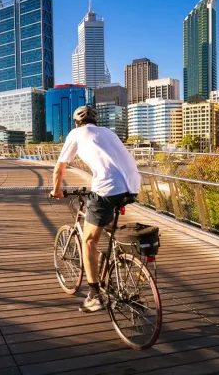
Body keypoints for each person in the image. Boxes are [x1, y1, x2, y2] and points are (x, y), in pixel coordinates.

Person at [50, 105, 141, 313]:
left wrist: (57, 191)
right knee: (105, 219)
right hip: (132, 186)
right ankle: (117, 257)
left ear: (76, 122)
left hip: (107, 188)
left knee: (89, 241)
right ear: (95, 121)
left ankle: (93, 296)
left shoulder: (76, 133)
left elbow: (60, 167)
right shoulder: (108, 132)